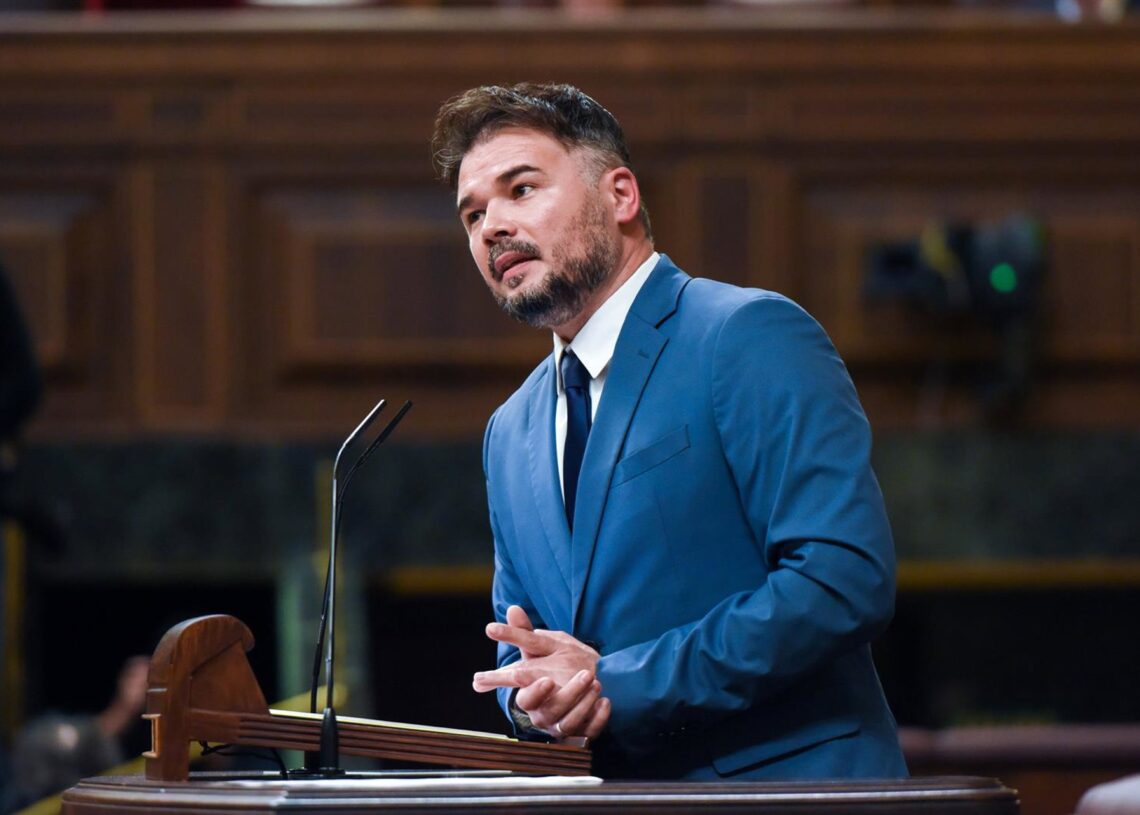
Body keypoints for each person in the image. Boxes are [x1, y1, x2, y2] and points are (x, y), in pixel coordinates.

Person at [431, 83, 907, 780]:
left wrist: (616, 684)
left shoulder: (743, 335)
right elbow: (523, 649)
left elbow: (843, 579)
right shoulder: (510, 431)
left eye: (521, 189)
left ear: (621, 196)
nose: (491, 228)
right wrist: (536, 701)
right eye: (472, 215)